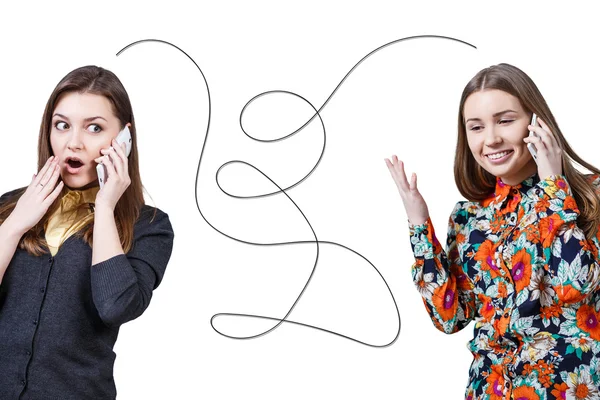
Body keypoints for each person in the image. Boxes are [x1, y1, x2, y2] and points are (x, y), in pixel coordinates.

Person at [386, 63, 600, 399]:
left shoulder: (592, 196)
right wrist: (418, 225)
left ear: (536, 121)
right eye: (476, 127)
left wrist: (552, 188)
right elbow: (450, 317)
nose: (491, 139)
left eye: (505, 120)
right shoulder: (469, 218)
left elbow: (574, 284)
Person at [0, 66, 174, 399]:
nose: (74, 143)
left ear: (124, 137)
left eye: (94, 128)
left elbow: (116, 307)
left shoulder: (150, 226)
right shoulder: (9, 208)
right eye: (62, 125)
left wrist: (107, 207)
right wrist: (14, 226)